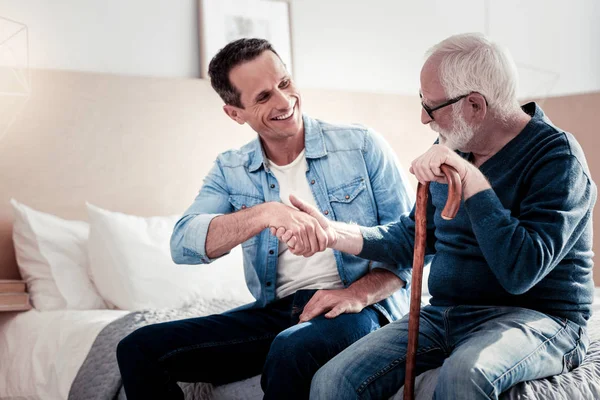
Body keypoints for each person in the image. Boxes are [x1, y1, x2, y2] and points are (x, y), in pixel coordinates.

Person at [274, 33, 596, 399]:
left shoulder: (557, 158)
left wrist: (471, 179)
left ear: (475, 105)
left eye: (432, 106)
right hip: (446, 314)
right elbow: (411, 238)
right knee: (333, 381)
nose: (423, 118)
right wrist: (334, 233)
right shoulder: (456, 145)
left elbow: (520, 271)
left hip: (538, 318)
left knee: (465, 374)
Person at [115, 38, 415, 400]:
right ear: (235, 113)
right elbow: (183, 243)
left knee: (291, 349)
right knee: (138, 348)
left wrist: (356, 293)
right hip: (278, 311)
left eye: (285, 84)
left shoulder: (362, 146)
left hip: (361, 308)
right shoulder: (231, 170)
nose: (284, 102)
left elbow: (415, 247)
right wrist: (265, 214)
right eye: (262, 97)